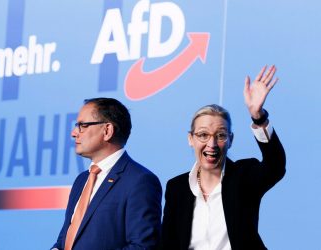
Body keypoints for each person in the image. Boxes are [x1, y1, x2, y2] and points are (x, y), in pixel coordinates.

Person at [161, 65, 286, 250]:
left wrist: (258, 117)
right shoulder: (176, 187)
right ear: (191, 139)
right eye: (203, 135)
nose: (211, 144)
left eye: (220, 135)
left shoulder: (244, 177)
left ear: (230, 140)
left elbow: (275, 166)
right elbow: (167, 243)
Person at [52, 97, 162, 250]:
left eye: (82, 125)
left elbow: (142, 246)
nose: (74, 133)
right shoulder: (81, 180)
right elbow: (66, 238)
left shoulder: (139, 181)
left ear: (107, 131)